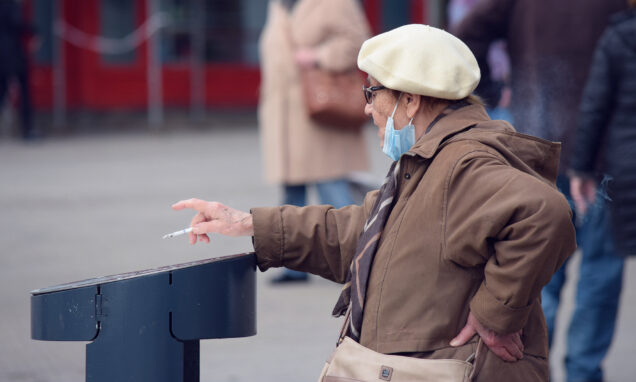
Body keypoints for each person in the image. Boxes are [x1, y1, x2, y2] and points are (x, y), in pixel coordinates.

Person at [172, 25, 576, 380]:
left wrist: (495, 315)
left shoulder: (462, 161)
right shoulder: (428, 157)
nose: (367, 106)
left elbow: (546, 214)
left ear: (411, 100)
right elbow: (362, 231)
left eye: (373, 92)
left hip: (450, 369)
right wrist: (247, 224)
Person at [454, 2, 627, 381]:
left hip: (542, 145)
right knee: (599, 274)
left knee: (537, 272)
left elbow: (468, 34)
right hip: (604, 151)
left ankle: (530, 367)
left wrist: (488, 90)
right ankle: (582, 373)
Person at [258, 0, 371, 283]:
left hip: (320, 113)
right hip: (285, 116)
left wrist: (319, 56)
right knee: (291, 194)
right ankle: (295, 266)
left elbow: (359, 42)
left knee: (332, 191)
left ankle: (364, 260)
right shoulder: (280, 5)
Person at [565, 2, 636, 379]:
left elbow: (595, 105)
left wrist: (581, 168)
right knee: (599, 274)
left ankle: (580, 371)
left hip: (623, 169)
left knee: (594, 273)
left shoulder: (621, 35)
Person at [0, 0, 37, 141]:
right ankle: (27, 130)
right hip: (12, 54)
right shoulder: (11, 6)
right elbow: (17, 24)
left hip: (3, 56)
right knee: (24, 91)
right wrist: (33, 30)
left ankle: (28, 130)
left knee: (2, 90)